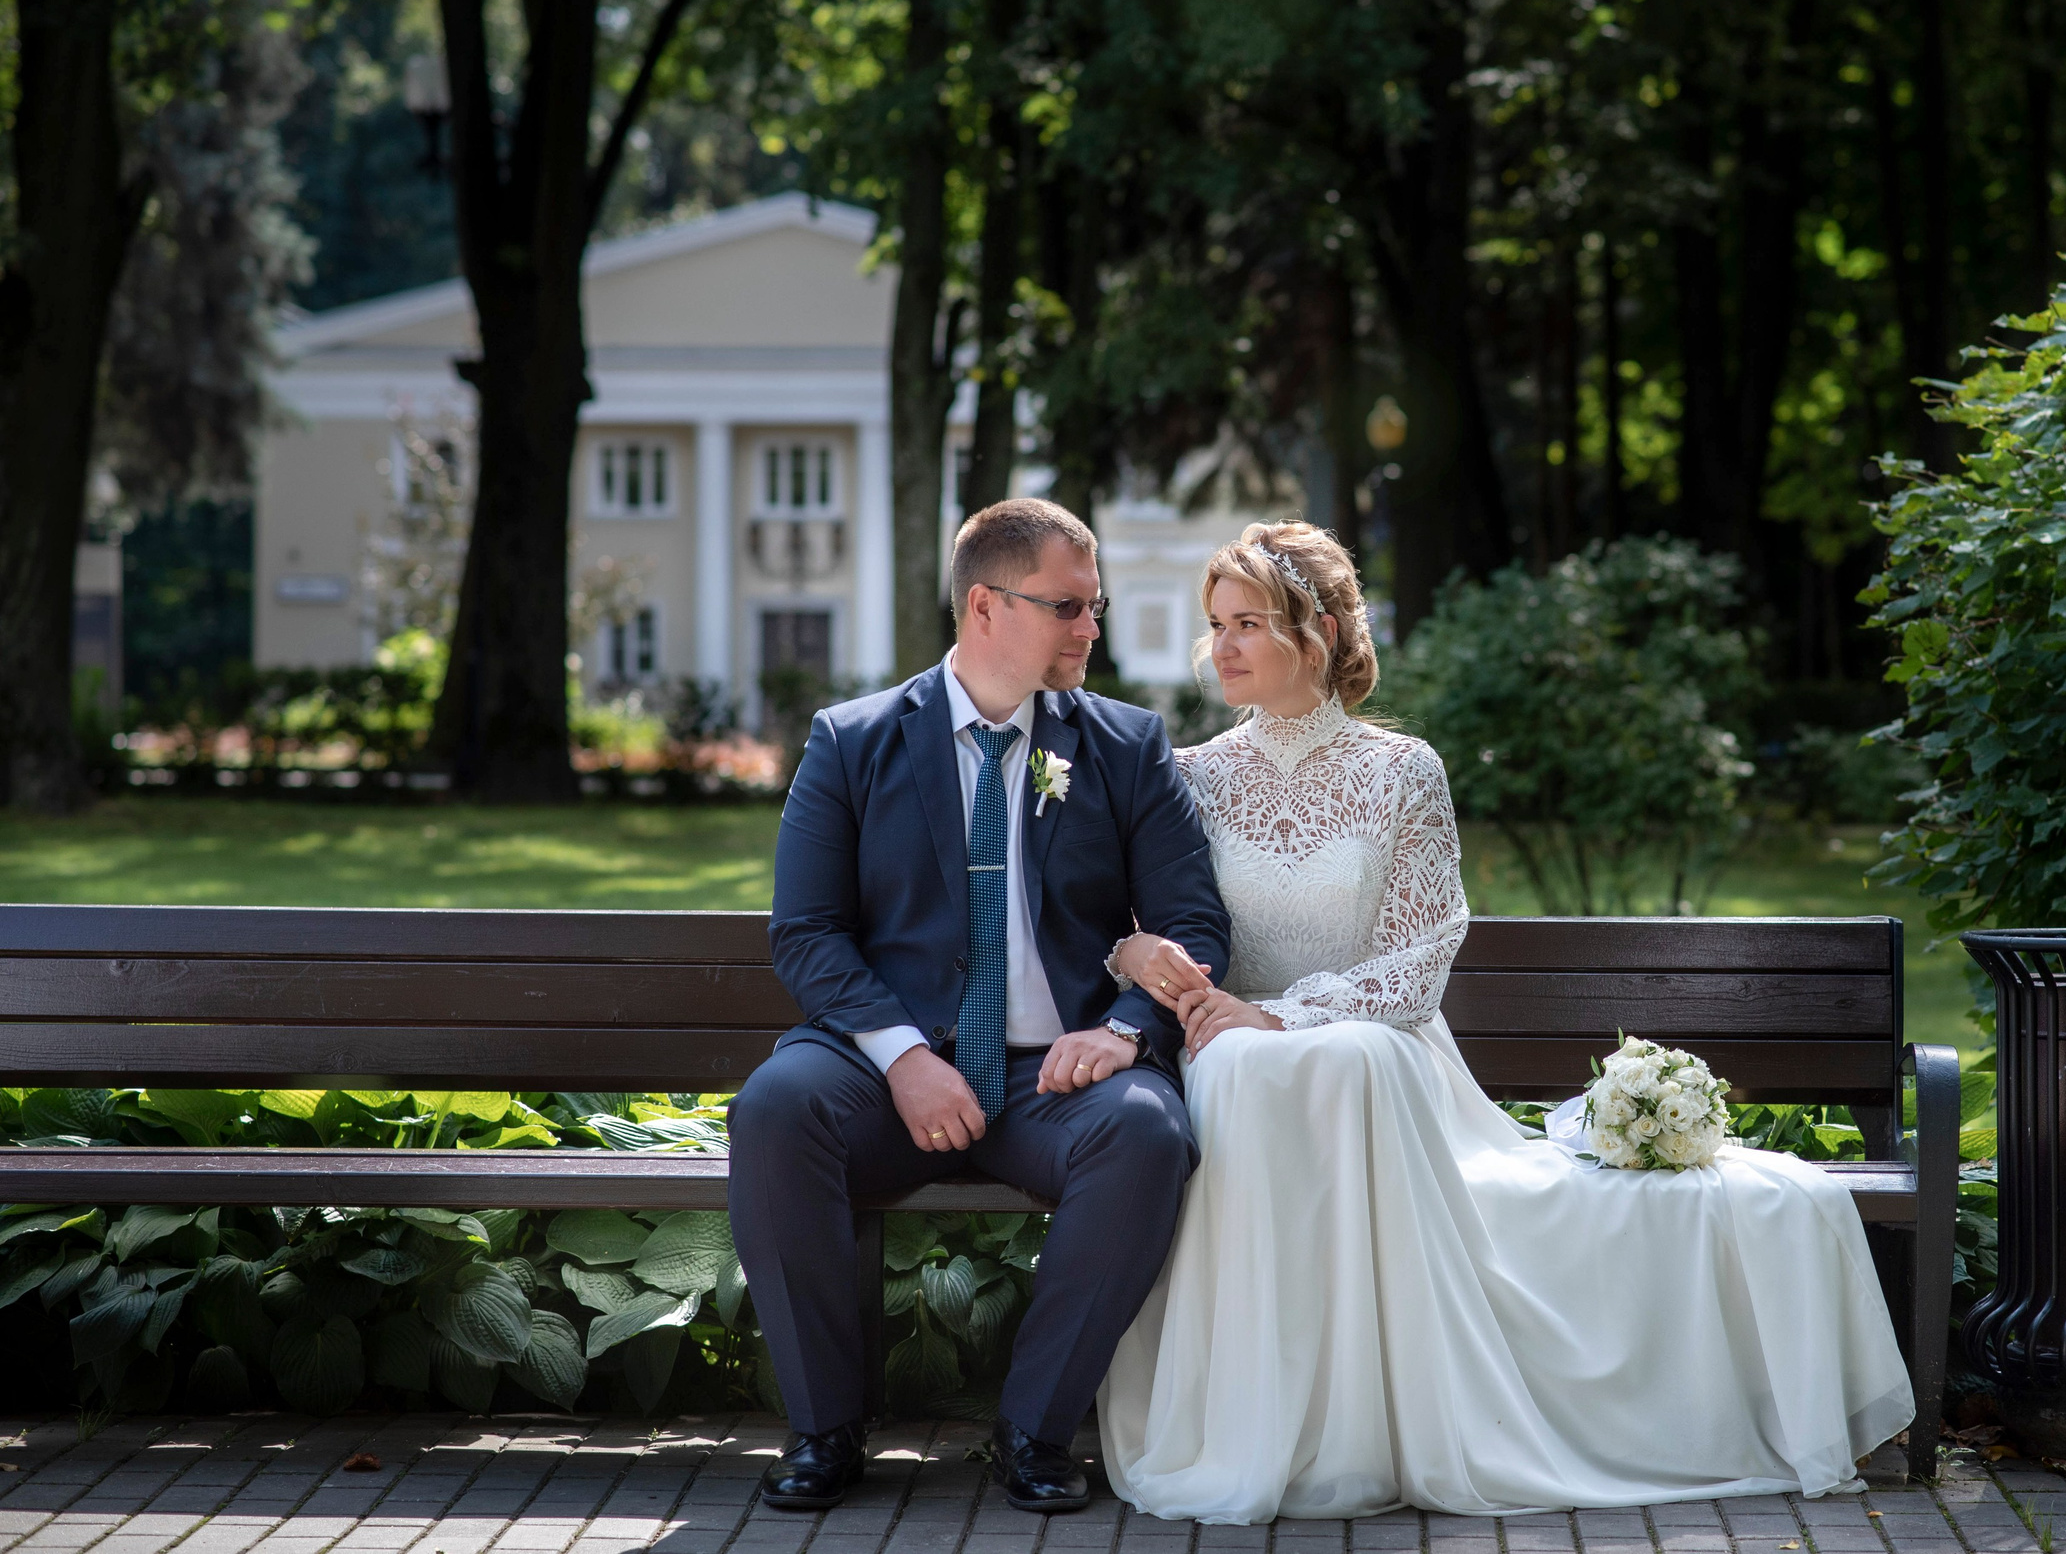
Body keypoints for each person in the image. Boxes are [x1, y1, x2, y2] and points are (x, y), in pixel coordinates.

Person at [1096, 521, 1915, 1523]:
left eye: (1247, 624)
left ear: (1315, 632)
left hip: (1379, 1048)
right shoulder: (1189, 774)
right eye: (1213, 625)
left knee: (1330, 1055)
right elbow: (1139, 925)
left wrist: (1281, 1012)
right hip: (1234, 1042)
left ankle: (1370, 1423)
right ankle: (1260, 1420)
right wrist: (1152, 963)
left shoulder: (1402, 770)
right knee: (1233, 1069)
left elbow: (1419, 954)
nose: (1218, 646)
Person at [731, 498, 1230, 1516]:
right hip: (887, 1074)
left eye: (1094, 604)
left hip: (1055, 1079)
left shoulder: (1126, 745)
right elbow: (808, 931)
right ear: (984, 605)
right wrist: (903, 1055)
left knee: (1145, 1131)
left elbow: (1193, 920)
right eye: (1068, 606)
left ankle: (1035, 1430)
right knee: (777, 1108)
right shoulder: (852, 740)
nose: (1091, 627)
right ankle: (825, 1428)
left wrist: (1127, 1026)